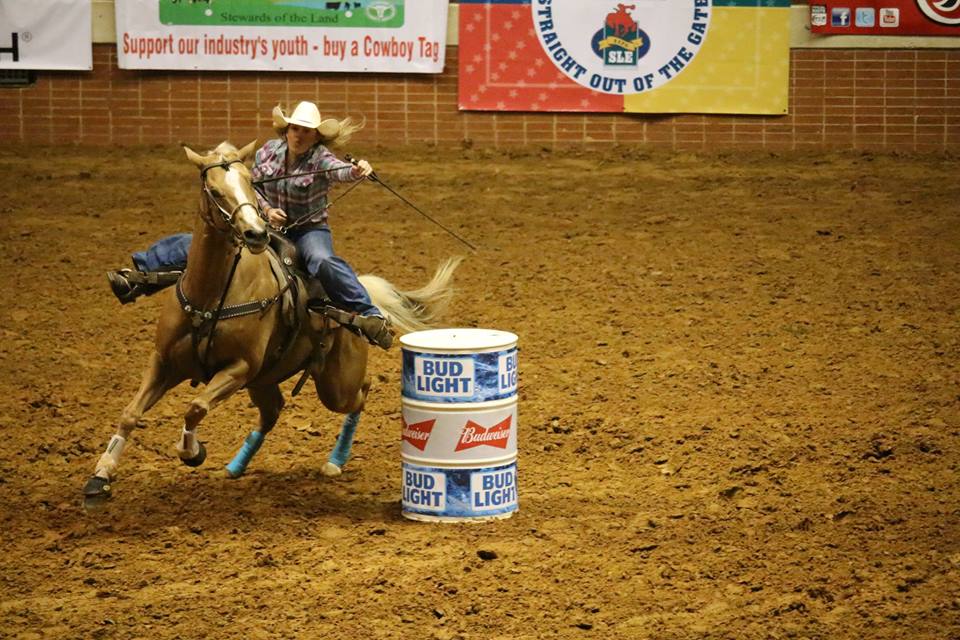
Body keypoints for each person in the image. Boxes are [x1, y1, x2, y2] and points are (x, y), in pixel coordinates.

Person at [106, 100, 393, 350]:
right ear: (286, 130)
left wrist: (357, 170)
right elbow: (251, 187)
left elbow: (340, 171)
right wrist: (267, 210)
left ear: (316, 136)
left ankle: (370, 314)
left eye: (306, 131)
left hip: (308, 231)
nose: (299, 135)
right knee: (207, 243)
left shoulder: (321, 158)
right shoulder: (269, 151)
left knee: (322, 261)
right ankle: (140, 274)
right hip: (266, 225)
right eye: (295, 129)